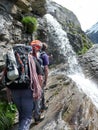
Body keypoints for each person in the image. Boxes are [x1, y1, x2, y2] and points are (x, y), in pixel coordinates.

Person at [0, 47, 43, 130]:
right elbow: (40, 77)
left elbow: (5, 78)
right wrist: (38, 90)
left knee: (21, 113)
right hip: (27, 90)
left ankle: (21, 127)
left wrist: (9, 95)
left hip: (14, 91)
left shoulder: (11, 61)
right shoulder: (31, 59)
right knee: (27, 117)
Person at [40, 42, 49, 112]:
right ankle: (42, 106)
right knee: (41, 92)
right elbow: (46, 69)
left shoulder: (34, 54)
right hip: (40, 76)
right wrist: (46, 79)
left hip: (33, 76)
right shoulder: (44, 55)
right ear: (45, 49)